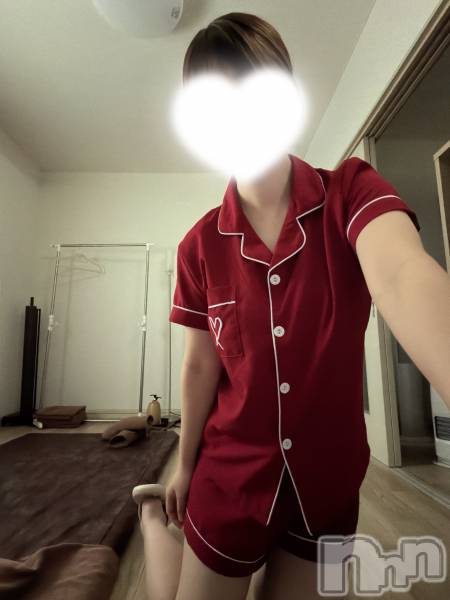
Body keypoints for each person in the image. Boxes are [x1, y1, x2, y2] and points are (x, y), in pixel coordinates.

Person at [132, 11, 424, 600]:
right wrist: (184, 467)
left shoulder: (351, 192)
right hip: (230, 478)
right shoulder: (198, 246)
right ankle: (153, 519)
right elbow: (200, 365)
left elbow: (402, 274)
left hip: (329, 484)